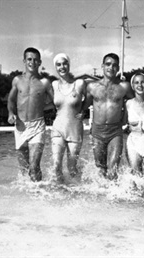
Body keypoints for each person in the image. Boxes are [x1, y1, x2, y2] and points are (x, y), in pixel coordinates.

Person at [84, 53, 134, 180]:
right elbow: (82, 107)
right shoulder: (92, 87)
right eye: (108, 64)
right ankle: (102, 198)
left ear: (118, 68)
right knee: (100, 170)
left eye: (114, 65)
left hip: (115, 132)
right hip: (97, 132)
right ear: (102, 66)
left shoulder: (124, 87)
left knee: (113, 171)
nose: (111, 67)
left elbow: (135, 103)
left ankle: (114, 198)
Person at [7, 47, 54, 182]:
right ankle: (28, 198)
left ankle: (39, 194)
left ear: (40, 62)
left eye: (35, 60)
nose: (32, 62)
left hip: (37, 125)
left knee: (34, 167)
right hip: (20, 126)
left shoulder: (44, 82)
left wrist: (41, 108)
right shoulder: (17, 80)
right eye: (29, 59)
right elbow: (10, 99)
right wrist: (11, 113)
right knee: (24, 170)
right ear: (24, 61)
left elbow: (56, 102)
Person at [51, 53, 86, 183]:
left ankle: (75, 191)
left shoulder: (79, 84)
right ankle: (60, 192)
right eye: (58, 64)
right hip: (58, 128)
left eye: (64, 63)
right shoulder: (54, 85)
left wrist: (83, 111)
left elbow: (89, 99)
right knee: (56, 165)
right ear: (55, 67)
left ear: (69, 65)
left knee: (71, 168)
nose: (62, 67)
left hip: (75, 129)